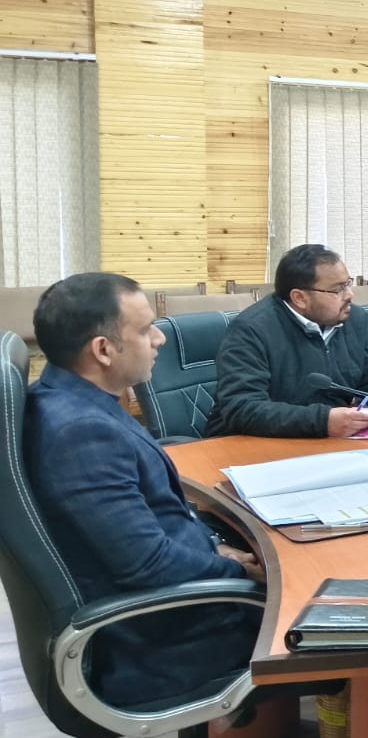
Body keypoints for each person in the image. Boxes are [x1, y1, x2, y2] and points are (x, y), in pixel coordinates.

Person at [25, 274, 267, 712]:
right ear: (103, 349)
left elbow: (142, 530)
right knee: (357, 624)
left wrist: (215, 549)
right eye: (145, 329)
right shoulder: (82, 432)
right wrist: (239, 573)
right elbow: (147, 565)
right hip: (163, 645)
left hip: (167, 614)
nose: (159, 339)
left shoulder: (67, 400)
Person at [207, 245, 368, 439]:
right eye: (338, 289)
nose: (350, 295)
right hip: (247, 448)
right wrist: (322, 421)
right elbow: (242, 408)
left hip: (324, 443)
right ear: (300, 298)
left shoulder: (354, 320)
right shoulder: (252, 330)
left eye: (347, 284)